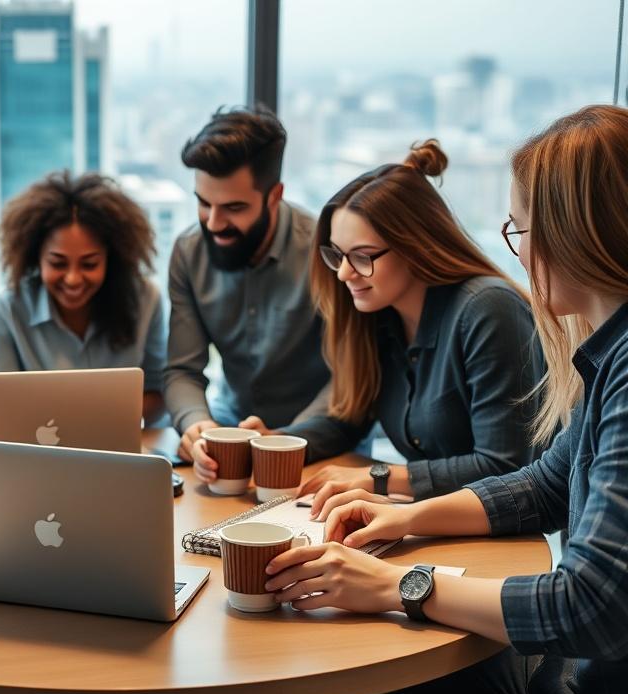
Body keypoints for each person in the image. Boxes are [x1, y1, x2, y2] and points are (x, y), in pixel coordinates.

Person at [267, 104, 628, 694]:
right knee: (301, 692)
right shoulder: (609, 359)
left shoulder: (607, 365)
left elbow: (589, 604)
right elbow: (541, 484)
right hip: (567, 681)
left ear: (574, 231)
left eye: (519, 226)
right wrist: (401, 515)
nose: (517, 247)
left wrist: (395, 585)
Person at [191, 141, 545, 504]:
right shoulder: (380, 317)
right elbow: (346, 419)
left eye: (362, 257)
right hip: (430, 522)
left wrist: (379, 477)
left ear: (416, 246)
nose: (344, 273)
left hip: (500, 537)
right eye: (337, 255)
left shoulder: (488, 309)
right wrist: (276, 443)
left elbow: (504, 465)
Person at [166, 106, 330, 461]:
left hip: (319, 439)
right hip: (229, 429)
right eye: (204, 203)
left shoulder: (327, 253)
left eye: (233, 208)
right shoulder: (188, 252)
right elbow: (183, 369)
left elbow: (351, 379)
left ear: (274, 196)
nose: (213, 223)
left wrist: (285, 440)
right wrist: (196, 425)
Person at [0, 170, 166, 424]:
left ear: (110, 259)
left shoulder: (146, 300)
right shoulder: (7, 308)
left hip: (121, 452)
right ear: (35, 257)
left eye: (89, 264)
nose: (73, 279)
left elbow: (158, 391)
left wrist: (99, 421)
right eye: (58, 263)